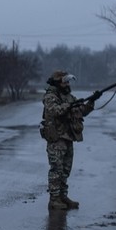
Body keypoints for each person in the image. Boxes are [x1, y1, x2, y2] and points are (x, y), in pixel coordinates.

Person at [41, 70, 100, 210]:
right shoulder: (50, 96)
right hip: (56, 138)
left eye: (68, 81)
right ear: (58, 83)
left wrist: (92, 100)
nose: (67, 84)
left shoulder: (68, 97)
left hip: (68, 137)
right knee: (57, 169)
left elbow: (81, 111)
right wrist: (70, 106)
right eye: (65, 81)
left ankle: (63, 196)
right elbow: (55, 111)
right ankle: (54, 199)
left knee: (66, 170)